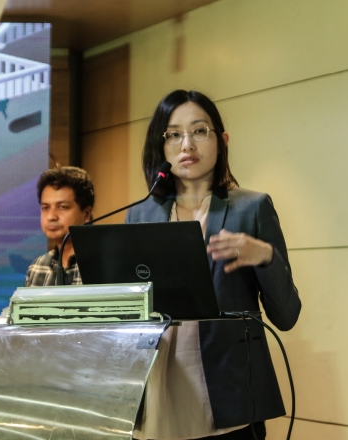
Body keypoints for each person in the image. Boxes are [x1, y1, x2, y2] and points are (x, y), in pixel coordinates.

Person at [126, 90, 302, 440]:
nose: (186, 144)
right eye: (173, 134)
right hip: (158, 388)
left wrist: (265, 257)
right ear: (160, 146)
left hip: (229, 394)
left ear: (221, 141)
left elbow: (286, 316)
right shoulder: (140, 213)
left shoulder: (252, 208)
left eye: (199, 131)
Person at [24, 166, 95, 287]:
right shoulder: (37, 266)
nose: (51, 216)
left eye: (62, 207)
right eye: (45, 208)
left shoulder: (104, 265)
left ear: (87, 214)